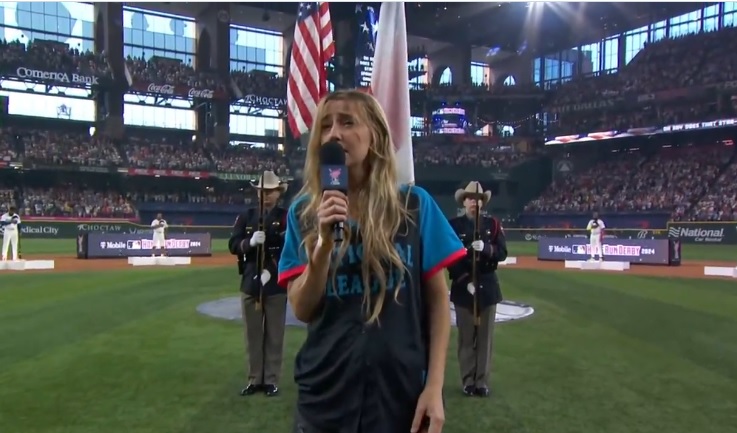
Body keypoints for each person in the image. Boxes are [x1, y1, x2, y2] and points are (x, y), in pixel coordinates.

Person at [277, 90, 465, 433]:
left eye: (348, 122)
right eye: (326, 125)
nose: (335, 133)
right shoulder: (303, 213)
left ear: (375, 135)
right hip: (325, 395)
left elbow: (438, 300)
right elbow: (302, 309)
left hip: (400, 395)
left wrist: (434, 386)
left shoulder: (414, 206)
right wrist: (322, 243)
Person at [228, 171, 288, 397]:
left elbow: (287, 248)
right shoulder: (246, 216)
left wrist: (270, 272)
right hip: (250, 282)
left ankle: (271, 380)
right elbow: (233, 244)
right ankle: (255, 379)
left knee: (274, 335)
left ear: (278, 193)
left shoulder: (284, 217)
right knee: (253, 335)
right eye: (262, 191)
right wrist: (249, 242)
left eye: (270, 191)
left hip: (274, 284)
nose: (266, 195)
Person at [447, 182, 507, 398]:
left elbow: (502, 252)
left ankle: (482, 381)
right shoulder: (453, 226)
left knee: (485, 338)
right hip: (464, 289)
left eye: (478, 198)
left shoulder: (493, 225)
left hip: (488, 287)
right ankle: (468, 381)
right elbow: (449, 258)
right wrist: (465, 281)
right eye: (471, 198)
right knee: (466, 338)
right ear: (464, 201)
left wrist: (488, 248)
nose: (475, 201)